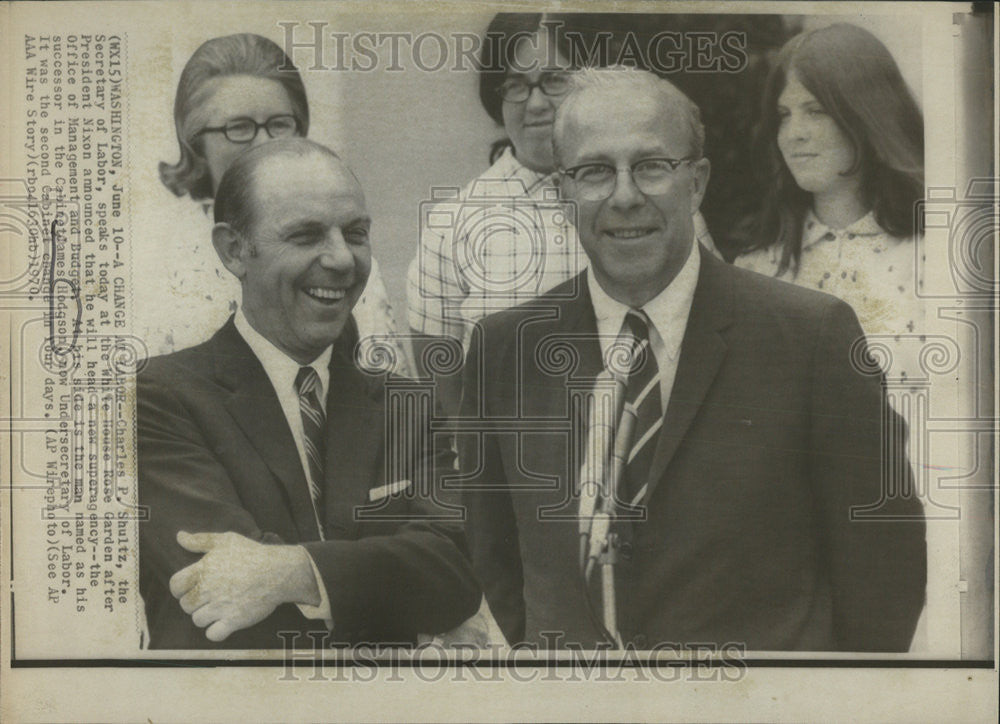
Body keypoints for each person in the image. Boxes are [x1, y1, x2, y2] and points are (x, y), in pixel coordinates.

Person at [459, 67, 926, 651]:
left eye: (652, 166)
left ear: (697, 183)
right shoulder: (503, 350)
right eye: (596, 171)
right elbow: (497, 559)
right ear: (563, 192)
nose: (625, 196)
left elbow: (883, 579)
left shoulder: (813, 338)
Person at [138, 139, 480, 649]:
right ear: (234, 250)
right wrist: (385, 586)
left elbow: (453, 577)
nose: (342, 259)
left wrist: (292, 571)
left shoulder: (407, 405)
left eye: (356, 233)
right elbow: (213, 592)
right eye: (305, 235)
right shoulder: (159, 397)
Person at [405, 13, 720, 417]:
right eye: (515, 86)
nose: (535, 104)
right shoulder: (453, 223)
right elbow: (443, 393)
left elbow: (710, 320)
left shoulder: (651, 198)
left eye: (554, 80)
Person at [147, 33, 409, 373]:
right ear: (196, 144)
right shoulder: (160, 266)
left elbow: (388, 393)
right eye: (238, 127)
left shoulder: (341, 257)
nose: (263, 143)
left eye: (279, 124)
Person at [734, 24, 924, 381]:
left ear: (866, 114)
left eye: (815, 111)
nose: (794, 135)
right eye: (784, 116)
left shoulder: (935, 256)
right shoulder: (755, 269)